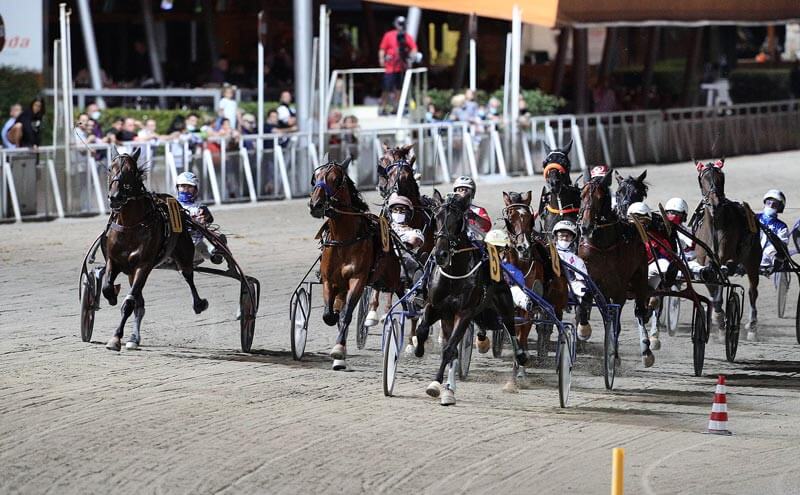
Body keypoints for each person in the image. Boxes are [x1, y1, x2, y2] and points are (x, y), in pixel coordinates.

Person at [551, 220, 592, 341]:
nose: (564, 238)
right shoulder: (549, 254)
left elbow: (582, 278)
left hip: (571, 285)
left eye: (567, 236)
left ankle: (583, 321)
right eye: (561, 235)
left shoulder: (576, 259)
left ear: (572, 238)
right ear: (556, 236)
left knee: (583, 292)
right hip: (552, 284)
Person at [175, 171, 223, 265]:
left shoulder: (200, 207)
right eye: (183, 186)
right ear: (178, 187)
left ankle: (214, 253)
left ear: (195, 189)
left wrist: (205, 217)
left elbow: (209, 218)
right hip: (176, 243)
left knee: (213, 240)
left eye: (190, 187)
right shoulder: (171, 204)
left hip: (195, 244)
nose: (186, 190)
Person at [378, 16, 418, 114]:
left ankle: (396, 108)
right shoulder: (388, 35)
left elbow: (414, 48)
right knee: (386, 88)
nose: (401, 26)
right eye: (399, 24)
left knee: (399, 89)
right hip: (390, 67)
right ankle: (382, 107)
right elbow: (382, 48)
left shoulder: (406, 36)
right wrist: (381, 59)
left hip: (401, 67)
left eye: (402, 24)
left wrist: (410, 58)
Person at [758, 189, 789, 273]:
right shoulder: (754, 218)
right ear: (764, 203)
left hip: (768, 258)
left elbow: (782, 244)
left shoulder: (781, 226)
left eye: (774, 204)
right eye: (768, 203)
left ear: (779, 207)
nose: (771, 206)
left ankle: (768, 266)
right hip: (751, 251)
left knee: (772, 249)